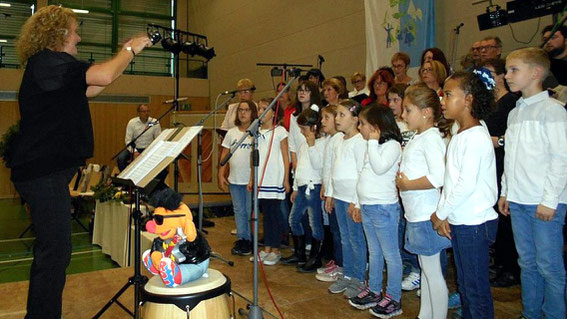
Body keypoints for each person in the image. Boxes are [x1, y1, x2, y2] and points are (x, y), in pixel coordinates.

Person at [9, 5, 152, 319]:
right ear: (58, 34)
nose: (79, 36)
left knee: (54, 252)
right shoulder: (48, 63)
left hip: (47, 173)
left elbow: (98, 85)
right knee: (55, 253)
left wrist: (123, 57)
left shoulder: (54, 69)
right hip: (41, 172)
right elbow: (103, 74)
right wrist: (130, 47)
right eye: (74, 30)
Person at [499, 47, 567, 319]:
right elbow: (512, 158)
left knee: (549, 265)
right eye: (507, 70)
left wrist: (550, 200)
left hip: (544, 203)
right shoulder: (515, 112)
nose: (507, 75)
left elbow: (561, 158)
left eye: (514, 70)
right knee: (527, 263)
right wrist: (506, 192)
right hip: (519, 200)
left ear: (537, 73)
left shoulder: (553, 111)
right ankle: (530, 313)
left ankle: (554, 314)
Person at [431, 70, 498, 319]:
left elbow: (465, 184)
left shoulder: (477, 137)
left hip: (475, 222)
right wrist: (448, 214)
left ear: (468, 99)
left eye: (448, 95)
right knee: (465, 283)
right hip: (462, 219)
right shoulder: (460, 132)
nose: (442, 100)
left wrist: (440, 213)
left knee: (475, 287)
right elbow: (451, 182)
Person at [397, 84, 451, 319]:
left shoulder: (431, 138)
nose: (403, 115)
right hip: (415, 214)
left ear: (426, 112)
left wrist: (408, 185)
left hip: (426, 213)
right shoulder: (419, 137)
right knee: (426, 271)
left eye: (408, 111)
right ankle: (425, 314)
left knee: (432, 272)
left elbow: (439, 176)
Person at [348, 106, 404, 318]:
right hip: (369, 206)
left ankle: (393, 297)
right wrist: (358, 203)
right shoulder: (372, 145)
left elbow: (379, 168)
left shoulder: (392, 146)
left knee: (391, 255)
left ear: (376, 127)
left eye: (362, 123)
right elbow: (364, 172)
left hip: (383, 208)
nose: (359, 127)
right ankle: (373, 290)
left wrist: (372, 141)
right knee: (375, 252)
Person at [480, 59, 521, 288]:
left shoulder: (510, 102)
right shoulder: (488, 103)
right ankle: (501, 263)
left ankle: (511, 268)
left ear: (500, 76)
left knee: (506, 220)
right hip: (490, 164)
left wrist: (500, 141)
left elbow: (514, 136)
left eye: (490, 74)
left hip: (504, 161)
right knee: (497, 215)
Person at [327, 100, 368, 299]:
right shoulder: (337, 140)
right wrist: (330, 193)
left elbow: (362, 173)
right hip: (340, 198)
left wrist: (356, 201)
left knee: (356, 240)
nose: (336, 119)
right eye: (336, 114)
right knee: (345, 238)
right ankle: (347, 273)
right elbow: (334, 169)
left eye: (341, 115)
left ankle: (358, 279)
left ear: (355, 119)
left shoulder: (360, 142)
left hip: (352, 199)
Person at [281, 105, 326, 272]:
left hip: (313, 186)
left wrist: (312, 145)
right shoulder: (303, 145)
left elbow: (319, 166)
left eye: (303, 128)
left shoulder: (322, 143)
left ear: (314, 127)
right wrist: (294, 187)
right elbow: (298, 167)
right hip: (301, 187)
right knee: (293, 219)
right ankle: (299, 253)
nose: (301, 132)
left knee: (315, 223)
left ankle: (315, 257)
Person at [248, 98, 290, 266]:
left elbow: (285, 156)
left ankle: (275, 249)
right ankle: (266, 248)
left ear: (274, 112)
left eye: (265, 108)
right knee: (265, 215)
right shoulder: (256, 131)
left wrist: (286, 179)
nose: (261, 112)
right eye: (259, 108)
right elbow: (254, 156)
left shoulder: (279, 131)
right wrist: (252, 177)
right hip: (261, 179)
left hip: (274, 177)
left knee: (274, 214)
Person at [218, 101, 258, 256]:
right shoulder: (232, 133)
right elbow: (224, 154)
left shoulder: (257, 133)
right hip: (235, 180)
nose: (243, 113)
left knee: (249, 210)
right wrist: (221, 174)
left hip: (250, 180)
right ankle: (243, 239)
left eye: (247, 110)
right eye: (240, 110)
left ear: (253, 113)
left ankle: (251, 238)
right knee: (239, 210)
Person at [315, 104, 345, 282]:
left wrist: (330, 191)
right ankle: (338, 261)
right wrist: (324, 186)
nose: (322, 121)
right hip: (330, 190)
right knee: (334, 230)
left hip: (337, 193)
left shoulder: (339, 139)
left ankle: (342, 267)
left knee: (339, 232)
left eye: (327, 118)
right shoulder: (331, 138)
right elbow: (326, 167)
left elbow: (335, 168)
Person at [117, 104, 161, 171]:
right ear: (138, 113)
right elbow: (128, 141)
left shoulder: (154, 122)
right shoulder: (132, 123)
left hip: (148, 148)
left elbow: (158, 139)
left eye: (148, 111)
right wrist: (135, 152)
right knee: (121, 158)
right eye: (144, 112)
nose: (146, 113)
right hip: (134, 148)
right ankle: (125, 178)